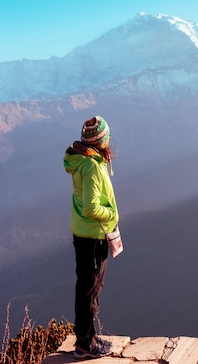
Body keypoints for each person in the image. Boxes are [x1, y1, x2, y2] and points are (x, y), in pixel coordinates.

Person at [63, 116, 119, 359]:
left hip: (83, 231)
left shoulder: (83, 161)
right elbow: (91, 207)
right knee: (91, 288)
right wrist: (112, 214)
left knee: (86, 285)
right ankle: (85, 344)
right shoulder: (93, 167)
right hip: (93, 234)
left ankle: (89, 338)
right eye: (107, 136)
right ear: (101, 140)